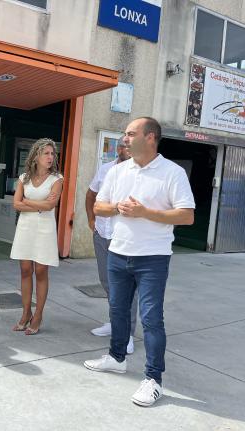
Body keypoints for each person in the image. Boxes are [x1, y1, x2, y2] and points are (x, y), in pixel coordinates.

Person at [84, 117, 195, 407]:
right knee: (118, 311)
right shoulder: (118, 171)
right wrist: (118, 207)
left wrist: (145, 212)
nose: (124, 139)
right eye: (124, 134)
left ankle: (153, 379)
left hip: (153, 258)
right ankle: (116, 358)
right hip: (118, 252)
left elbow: (186, 215)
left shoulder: (173, 173)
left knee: (150, 319)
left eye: (131, 134)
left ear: (150, 138)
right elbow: (99, 206)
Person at [85, 140, 137, 354]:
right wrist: (91, 221)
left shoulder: (139, 173)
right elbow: (90, 195)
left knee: (127, 288)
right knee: (107, 283)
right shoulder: (106, 169)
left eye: (129, 146)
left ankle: (128, 334)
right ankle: (114, 323)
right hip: (102, 234)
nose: (124, 149)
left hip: (123, 238)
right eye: (122, 146)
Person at [10, 138, 63, 335]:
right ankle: (25, 313)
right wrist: (37, 205)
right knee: (25, 269)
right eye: (46, 153)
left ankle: (38, 315)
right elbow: (16, 204)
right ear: (36, 156)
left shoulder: (56, 179)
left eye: (52, 154)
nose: (50, 157)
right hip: (25, 228)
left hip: (45, 229)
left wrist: (27, 201)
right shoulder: (23, 178)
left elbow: (50, 206)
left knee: (40, 271)